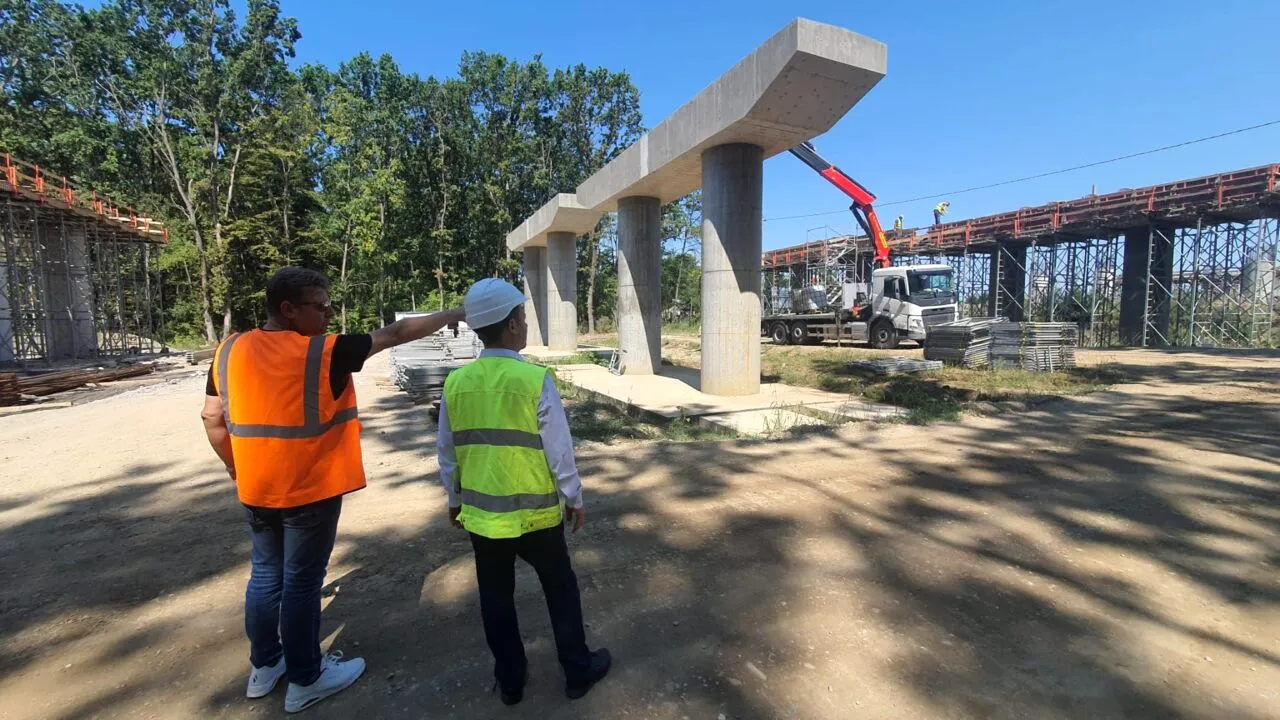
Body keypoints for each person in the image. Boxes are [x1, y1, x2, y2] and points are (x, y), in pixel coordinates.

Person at [201, 267, 464, 714]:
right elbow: (396, 333)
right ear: (288, 309)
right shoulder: (324, 351)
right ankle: (306, 678)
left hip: (256, 487)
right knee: (302, 582)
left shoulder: (230, 349)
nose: (328, 316)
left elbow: (212, 417)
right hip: (309, 490)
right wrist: (456, 312)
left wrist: (233, 465)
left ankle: (265, 666)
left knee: (265, 576)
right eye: (320, 307)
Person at [436, 278, 611, 706]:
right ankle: (577, 671)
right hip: (536, 518)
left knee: (495, 598)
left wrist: (454, 500)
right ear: (513, 324)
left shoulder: (456, 383)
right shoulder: (533, 379)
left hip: (483, 519)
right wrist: (574, 498)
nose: (526, 324)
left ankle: (511, 682)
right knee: (560, 589)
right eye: (524, 317)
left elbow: (447, 452)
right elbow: (559, 450)